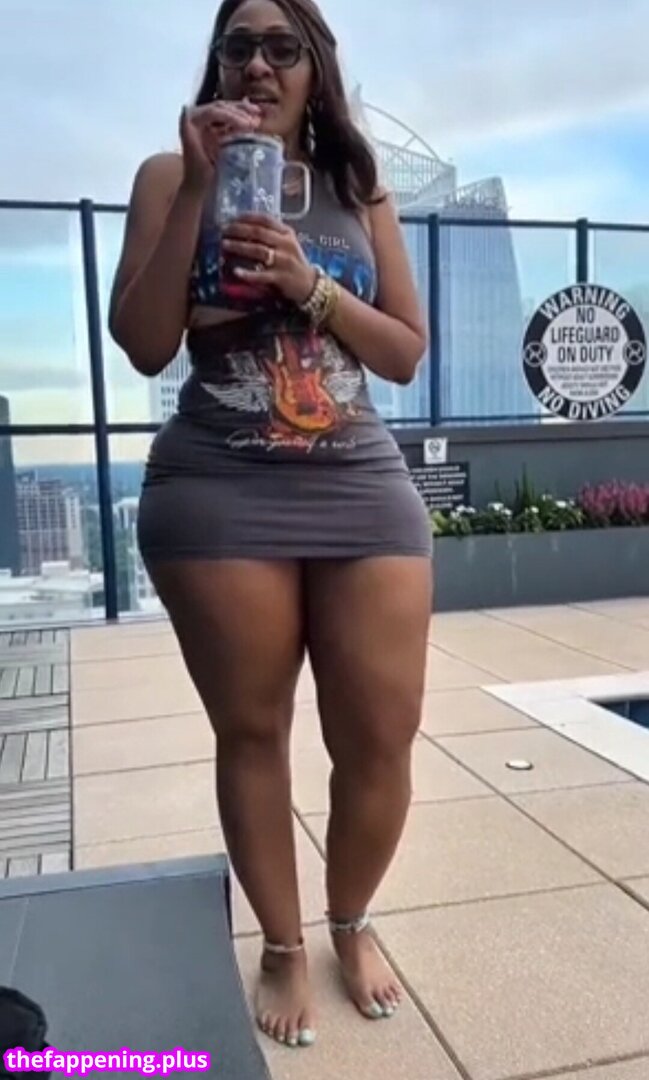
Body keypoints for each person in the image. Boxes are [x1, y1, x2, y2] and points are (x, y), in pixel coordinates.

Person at [109, 0, 433, 1052]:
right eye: (237, 46)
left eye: (280, 46)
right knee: (253, 730)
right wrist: (197, 185)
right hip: (218, 480)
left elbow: (403, 352)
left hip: (358, 477)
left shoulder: (357, 184)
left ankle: (351, 919)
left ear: (313, 66)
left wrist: (307, 283)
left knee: (378, 735)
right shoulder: (169, 175)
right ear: (217, 67)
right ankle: (285, 943)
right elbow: (145, 344)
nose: (257, 64)